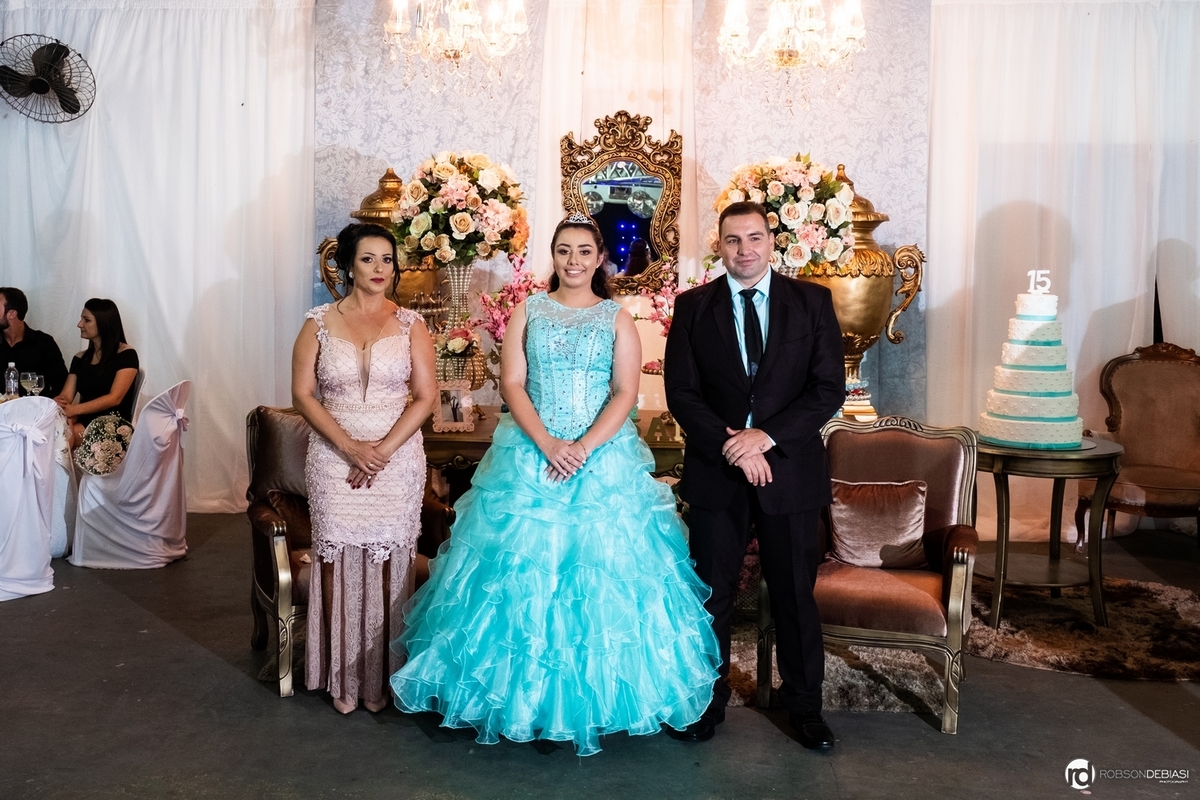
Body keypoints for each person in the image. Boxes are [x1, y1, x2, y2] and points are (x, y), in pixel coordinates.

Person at [390, 213, 720, 757]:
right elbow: (512, 383)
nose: (573, 260)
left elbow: (624, 392)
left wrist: (582, 448)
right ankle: (529, 705)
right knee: (522, 579)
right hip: (531, 454)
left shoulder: (616, 318)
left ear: (600, 258)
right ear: (554, 255)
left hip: (600, 460)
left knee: (599, 581)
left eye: (584, 251)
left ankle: (588, 705)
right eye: (564, 250)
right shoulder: (528, 310)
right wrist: (547, 444)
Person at [663, 201, 845, 749]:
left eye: (754, 238)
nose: (745, 249)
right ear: (719, 247)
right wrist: (734, 447)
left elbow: (827, 390)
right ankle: (706, 702)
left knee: (794, 595)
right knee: (711, 595)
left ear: (771, 242)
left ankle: (804, 706)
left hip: (788, 470)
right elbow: (682, 393)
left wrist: (763, 438)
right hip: (718, 474)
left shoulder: (812, 301)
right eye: (733, 240)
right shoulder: (693, 307)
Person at [291, 222, 437, 715]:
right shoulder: (316, 323)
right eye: (368, 258)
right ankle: (342, 678)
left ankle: (383, 679)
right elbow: (302, 395)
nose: (380, 268)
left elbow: (426, 398)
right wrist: (350, 448)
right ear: (348, 266)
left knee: (393, 567)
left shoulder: (412, 324)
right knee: (335, 565)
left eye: (387, 259)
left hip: (396, 461)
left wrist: (381, 451)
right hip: (334, 458)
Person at [55, 298, 140, 449]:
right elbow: (66, 397)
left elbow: (114, 398)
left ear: (103, 323)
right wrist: (59, 404)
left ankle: (60, 465)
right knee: (54, 428)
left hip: (112, 422)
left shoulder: (126, 355)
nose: (79, 324)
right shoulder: (80, 358)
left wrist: (73, 410)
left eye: (86, 320)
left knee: (60, 435)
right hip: (83, 417)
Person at [0, 287, 69, 399]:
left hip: (36, 408)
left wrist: (43, 405)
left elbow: (61, 384)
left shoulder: (44, 343)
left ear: (12, 314)